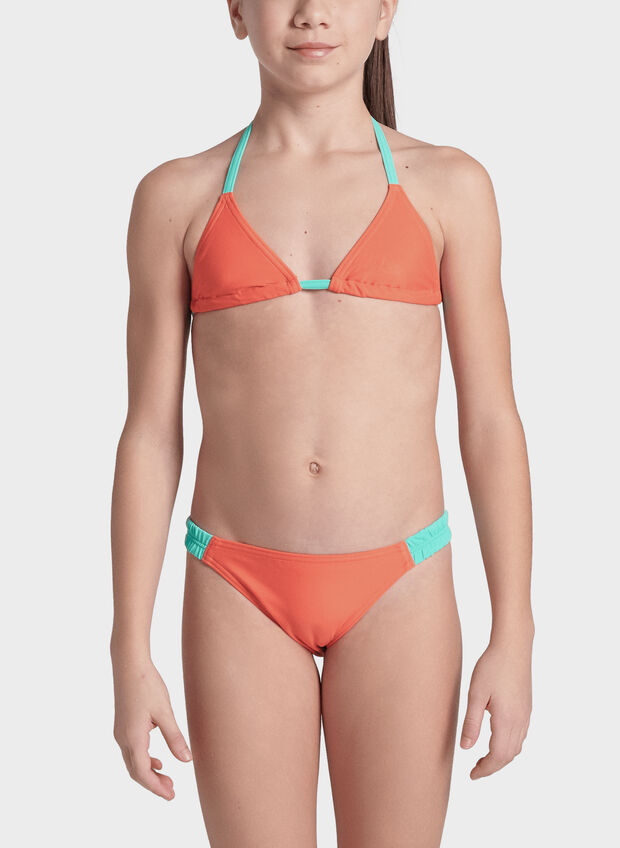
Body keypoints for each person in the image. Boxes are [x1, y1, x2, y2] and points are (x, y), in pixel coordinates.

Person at [110, 1, 534, 845]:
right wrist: (128, 648)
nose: (312, 12)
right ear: (237, 11)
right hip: (236, 584)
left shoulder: (449, 187)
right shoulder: (176, 197)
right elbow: (150, 433)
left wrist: (514, 628)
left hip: (402, 582)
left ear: (385, 12)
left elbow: (490, 420)